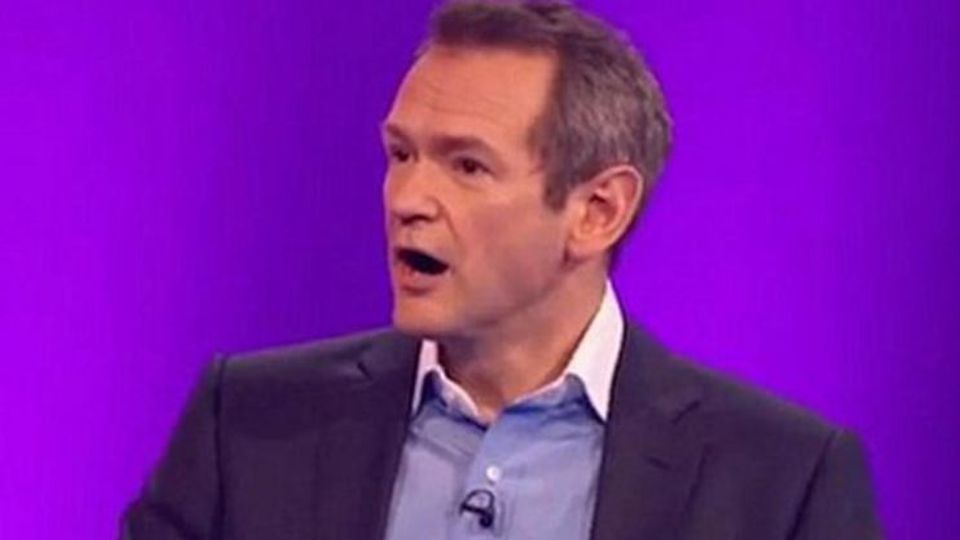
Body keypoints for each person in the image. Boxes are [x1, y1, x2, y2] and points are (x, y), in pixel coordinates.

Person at [121, 1, 882, 538]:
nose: (407, 199)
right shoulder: (248, 423)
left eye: (467, 166)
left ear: (597, 211)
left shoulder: (780, 483)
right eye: (401, 154)